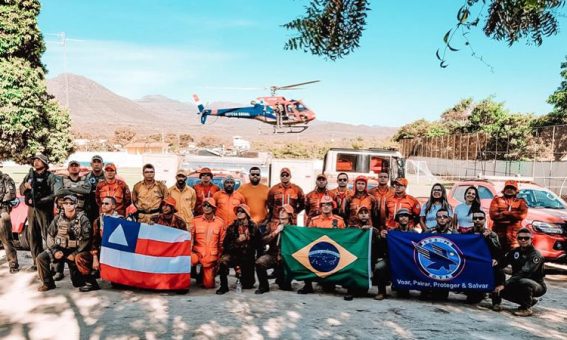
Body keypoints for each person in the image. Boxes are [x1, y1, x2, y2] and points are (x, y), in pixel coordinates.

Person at [36, 195, 98, 292]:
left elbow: (86, 239)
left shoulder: (83, 219)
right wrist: (54, 250)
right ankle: (48, 283)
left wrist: (74, 254)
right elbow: (50, 235)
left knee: (77, 283)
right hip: (60, 248)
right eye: (66, 203)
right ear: (62, 205)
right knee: (41, 257)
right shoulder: (57, 219)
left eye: (71, 203)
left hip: (75, 250)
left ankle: (86, 280)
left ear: (76, 205)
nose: (68, 205)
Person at [20, 153, 61, 271]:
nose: (36, 162)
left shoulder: (50, 177)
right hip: (32, 209)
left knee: (49, 236)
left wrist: (42, 200)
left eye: (39, 160)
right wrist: (26, 186)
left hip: (45, 210)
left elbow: (55, 194)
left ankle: (53, 264)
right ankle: (36, 262)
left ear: (45, 163)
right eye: (35, 160)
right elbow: (21, 190)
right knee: (33, 236)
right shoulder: (30, 175)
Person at [492, 228, 546, 317]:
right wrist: (496, 262)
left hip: (536, 285)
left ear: (531, 239)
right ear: (517, 239)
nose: (523, 240)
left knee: (523, 281)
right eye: (520, 238)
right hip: (516, 282)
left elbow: (524, 273)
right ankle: (497, 303)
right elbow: (502, 263)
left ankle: (526, 308)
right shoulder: (514, 252)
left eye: (526, 238)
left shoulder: (536, 255)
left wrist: (505, 284)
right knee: (498, 289)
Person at [298, 196, 346, 295]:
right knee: (303, 256)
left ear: (332, 206)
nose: (325, 207)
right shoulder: (314, 221)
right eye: (323, 205)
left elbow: (344, 238)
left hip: (333, 252)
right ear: (320, 207)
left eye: (328, 205)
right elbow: (308, 237)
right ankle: (308, 285)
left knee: (328, 288)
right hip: (317, 251)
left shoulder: (339, 221)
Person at [53, 160, 91, 281]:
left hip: (80, 214)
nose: (74, 168)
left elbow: (87, 190)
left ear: (79, 168)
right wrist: (77, 189)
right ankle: (58, 270)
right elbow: (59, 192)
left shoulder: (85, 180)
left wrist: (69, 189)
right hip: (64, 214)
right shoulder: (61, 180)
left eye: (76, 166)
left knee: (80, 241)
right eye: (72, 166)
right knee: (61, 240)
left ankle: (80, 270)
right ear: (68, 168)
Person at [75, 196, 122, 292]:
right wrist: (95, 257)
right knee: (80, 257)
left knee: (118, 285)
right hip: (102, 252)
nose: (103, 206)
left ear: (113, 206)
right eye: (102, 203)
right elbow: (94, 240)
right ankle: (91, 283)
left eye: (106, 204)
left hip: (117, 255)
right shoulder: (98, 221)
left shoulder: (121, 220)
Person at [459, 210, 504, 304]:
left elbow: (499, 251)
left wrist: (496, 259)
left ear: (484, 220)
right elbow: (464, 249)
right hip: (471, 262)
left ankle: (496, 299)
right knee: (472, 300)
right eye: (475, 218)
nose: (477, 220)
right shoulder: (467, 234)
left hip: (486, 262)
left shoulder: (492, 234)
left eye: (480, 218)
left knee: (498, 271)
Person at [374, 208, 419, 300]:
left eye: (406, 216)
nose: (403, 218)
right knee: (379, 267)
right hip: (393, 259)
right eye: (401, 216)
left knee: (403, 294)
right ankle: (381, 292)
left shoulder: (415, 233)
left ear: (409, 218)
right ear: (397, 219)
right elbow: (382, 247)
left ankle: (422, 289)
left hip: (408, 261)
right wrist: (381, 237)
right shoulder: (392, 232)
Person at [216, 204, 257, 294]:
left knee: (248, 285)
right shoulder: (232, 227)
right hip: (234, 254)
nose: (239, 213)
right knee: (223, 261)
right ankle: (224, 286)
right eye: (238, 211)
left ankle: (243, 277)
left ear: (246, 213)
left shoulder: (253, 227)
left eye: (241, 211)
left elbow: (258, 244)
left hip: (248, 256)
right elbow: (225, 244)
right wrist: (237, 241)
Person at [255, 204, 294, 294]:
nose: (282, 213)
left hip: (286, 258)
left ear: (290, 216)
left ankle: (281, 278)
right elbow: (263, 241)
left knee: (285, 287)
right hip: (273, 255)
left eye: (285, 211)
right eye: (281, 210)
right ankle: (264, 286)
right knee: (259, 263)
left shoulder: (294, 229)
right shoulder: (272, 225)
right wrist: (275, 232)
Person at [191, 198, 226, 289]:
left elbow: (221, 243)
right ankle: (187, 278)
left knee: (209, 285)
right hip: (197, 254)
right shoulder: (195, 221)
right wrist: (189, 252)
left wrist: (219, 259)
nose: (206, 207)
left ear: (213, 208)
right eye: (204, 205)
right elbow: (190, 239)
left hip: (211, 256)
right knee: (188, 260)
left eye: (209, 205)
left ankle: (205, 274)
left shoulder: (220, 223)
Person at [421, 208, 453, 300]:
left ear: (448, 219)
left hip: (446, 268)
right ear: (436, 219)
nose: (442, 219)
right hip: (430, 263)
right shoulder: (428, 232)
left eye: (445, 217)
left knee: (441, 297)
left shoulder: (454, 233)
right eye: (439, 217)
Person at [489, 180, 528, 252]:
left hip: (514, 237)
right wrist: (514, 217)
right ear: (504, 189)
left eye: (512, 188)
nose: (509, 190)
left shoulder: (521, 201)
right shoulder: (497, 200)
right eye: (508, 188)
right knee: (498, 255)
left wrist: (506, 213)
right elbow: (493, 215)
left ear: (516, 191)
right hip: (499, 234)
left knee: (514, 256)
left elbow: (522, 216)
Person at [0, 166, 18, 273]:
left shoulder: (5, 179)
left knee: (7, 239)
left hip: (2, 211)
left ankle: (13, 264)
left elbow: (11, 194)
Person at [85, 155, 105, 222]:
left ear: (103, 164)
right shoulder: (85, 177)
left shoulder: (108, 177)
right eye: (94, 162)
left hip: (104, 207)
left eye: (99, 162)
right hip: (89, 207)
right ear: (91, 164)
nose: (96, 164)